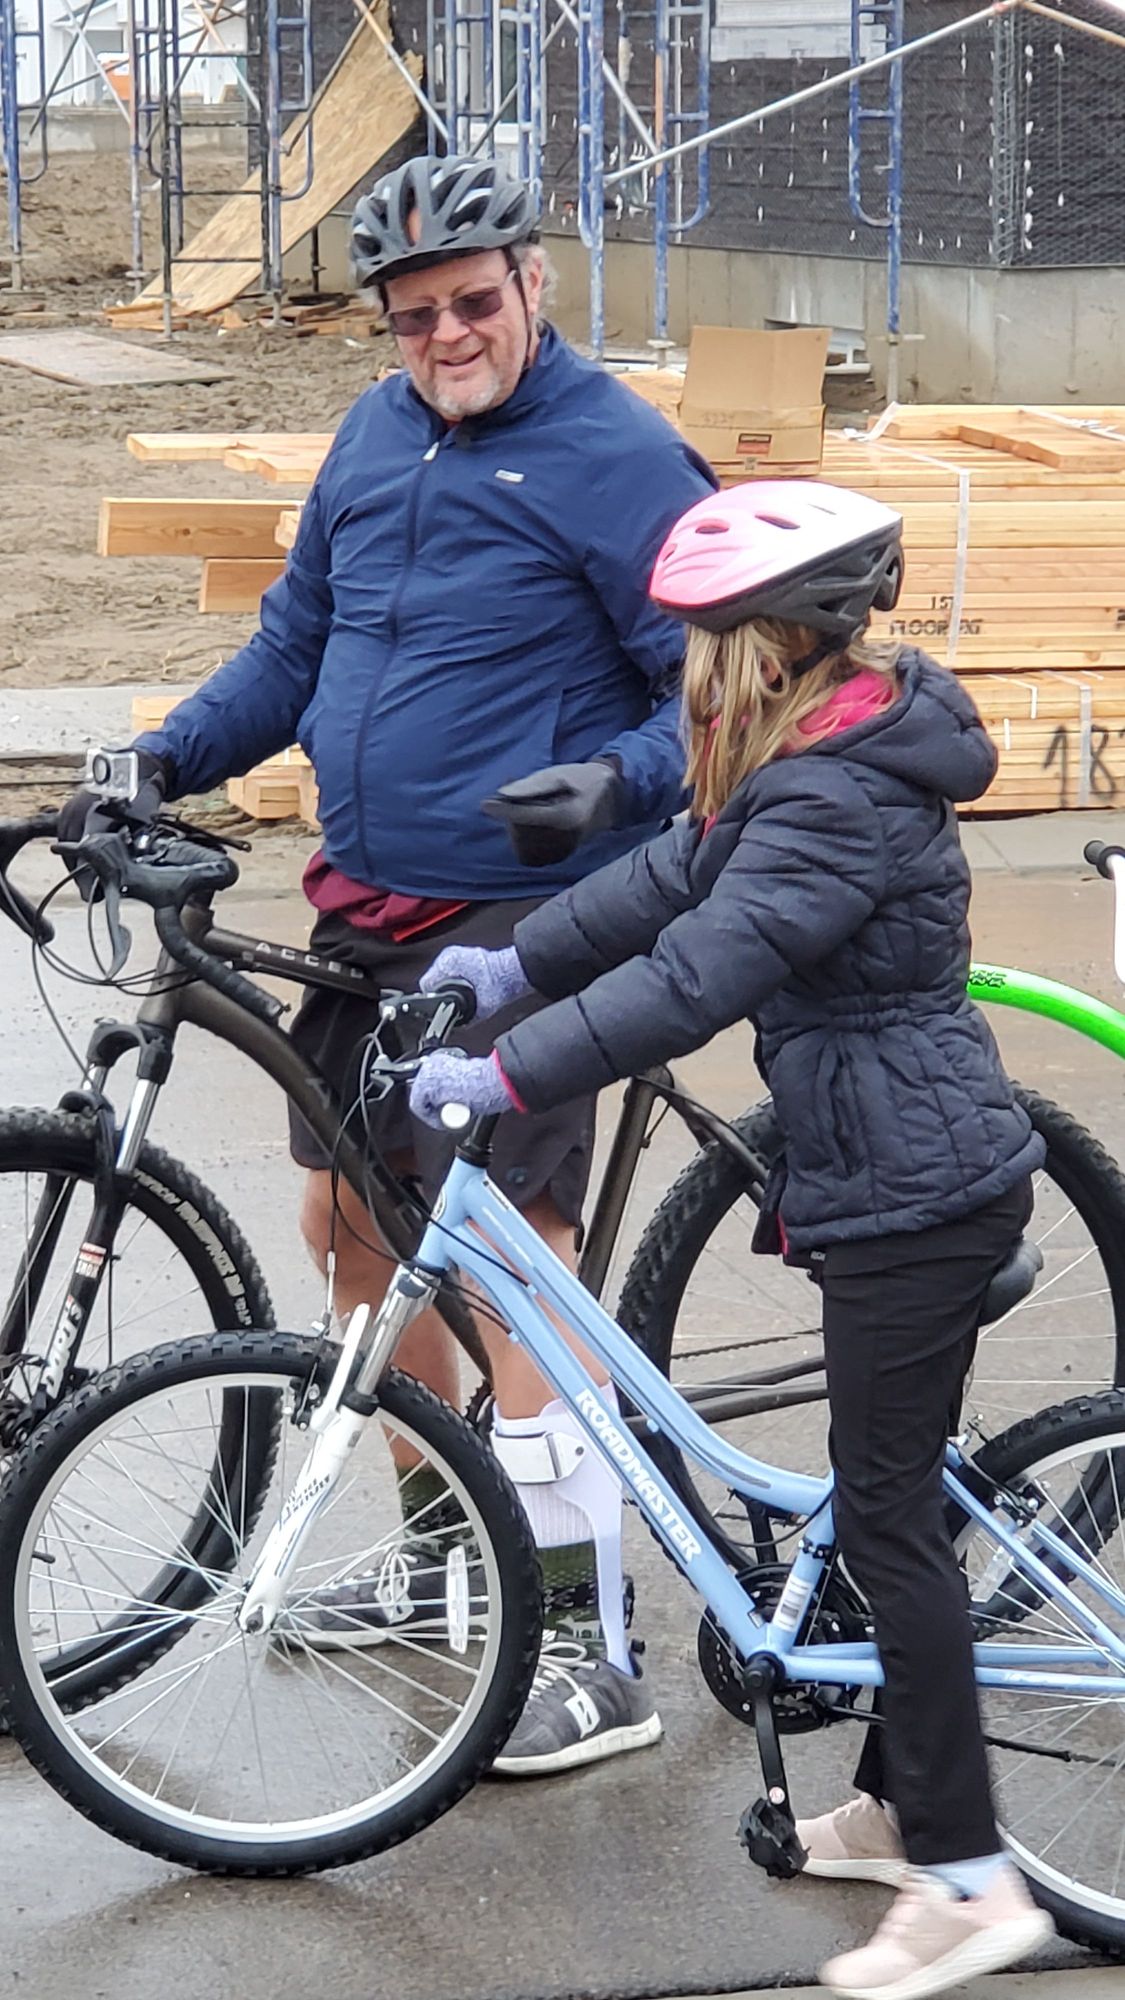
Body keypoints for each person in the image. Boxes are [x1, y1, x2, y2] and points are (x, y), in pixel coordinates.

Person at [59, 151, 716, 1776]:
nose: (446, 337)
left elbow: (713, 686)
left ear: (534, 284)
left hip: (533, 916)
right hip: (369, 905)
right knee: (349, 1226)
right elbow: (295, 644)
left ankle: (583, 1641)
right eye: (413, 317)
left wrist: (614, 785)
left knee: (505, 1260)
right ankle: (445, 1556)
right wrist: (162, 754)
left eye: (472, 303)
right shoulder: (372, 435)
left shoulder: (619, 455)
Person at [406, 481, 1056, 1999]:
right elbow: (669, 882)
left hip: (913, 1196)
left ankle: (971, 1884)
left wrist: (509, 1073)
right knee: (887, 1496)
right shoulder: (808, 756)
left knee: (886, 1524)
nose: (688, 675)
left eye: (705, 647)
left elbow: (700, 971)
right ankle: (897, 1809)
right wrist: (510, 964)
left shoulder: (833, 796)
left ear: (771, 647)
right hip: (891, 1168)